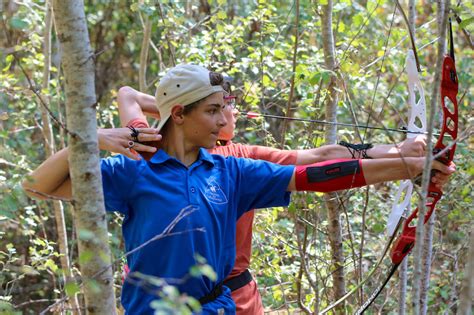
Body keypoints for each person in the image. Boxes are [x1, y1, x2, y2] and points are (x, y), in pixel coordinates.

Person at [22, 64, 454, 315]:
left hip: (220, 305)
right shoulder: (135, 167)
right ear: (177, 114)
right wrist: (91, 137)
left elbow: (317, 172)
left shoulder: (232, 167)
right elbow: (39, 186)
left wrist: (411, 165)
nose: (222, 119)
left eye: (222, 109)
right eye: (212, 110)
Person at [116, 81, 431, 313]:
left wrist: (399, 156)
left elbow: (321, 159)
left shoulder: (240, 161)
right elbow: (127, 94)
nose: (230, 114)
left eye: (225, 105)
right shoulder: (150, 151)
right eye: (221, 106)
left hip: (233, 297)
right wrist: (169, 114)